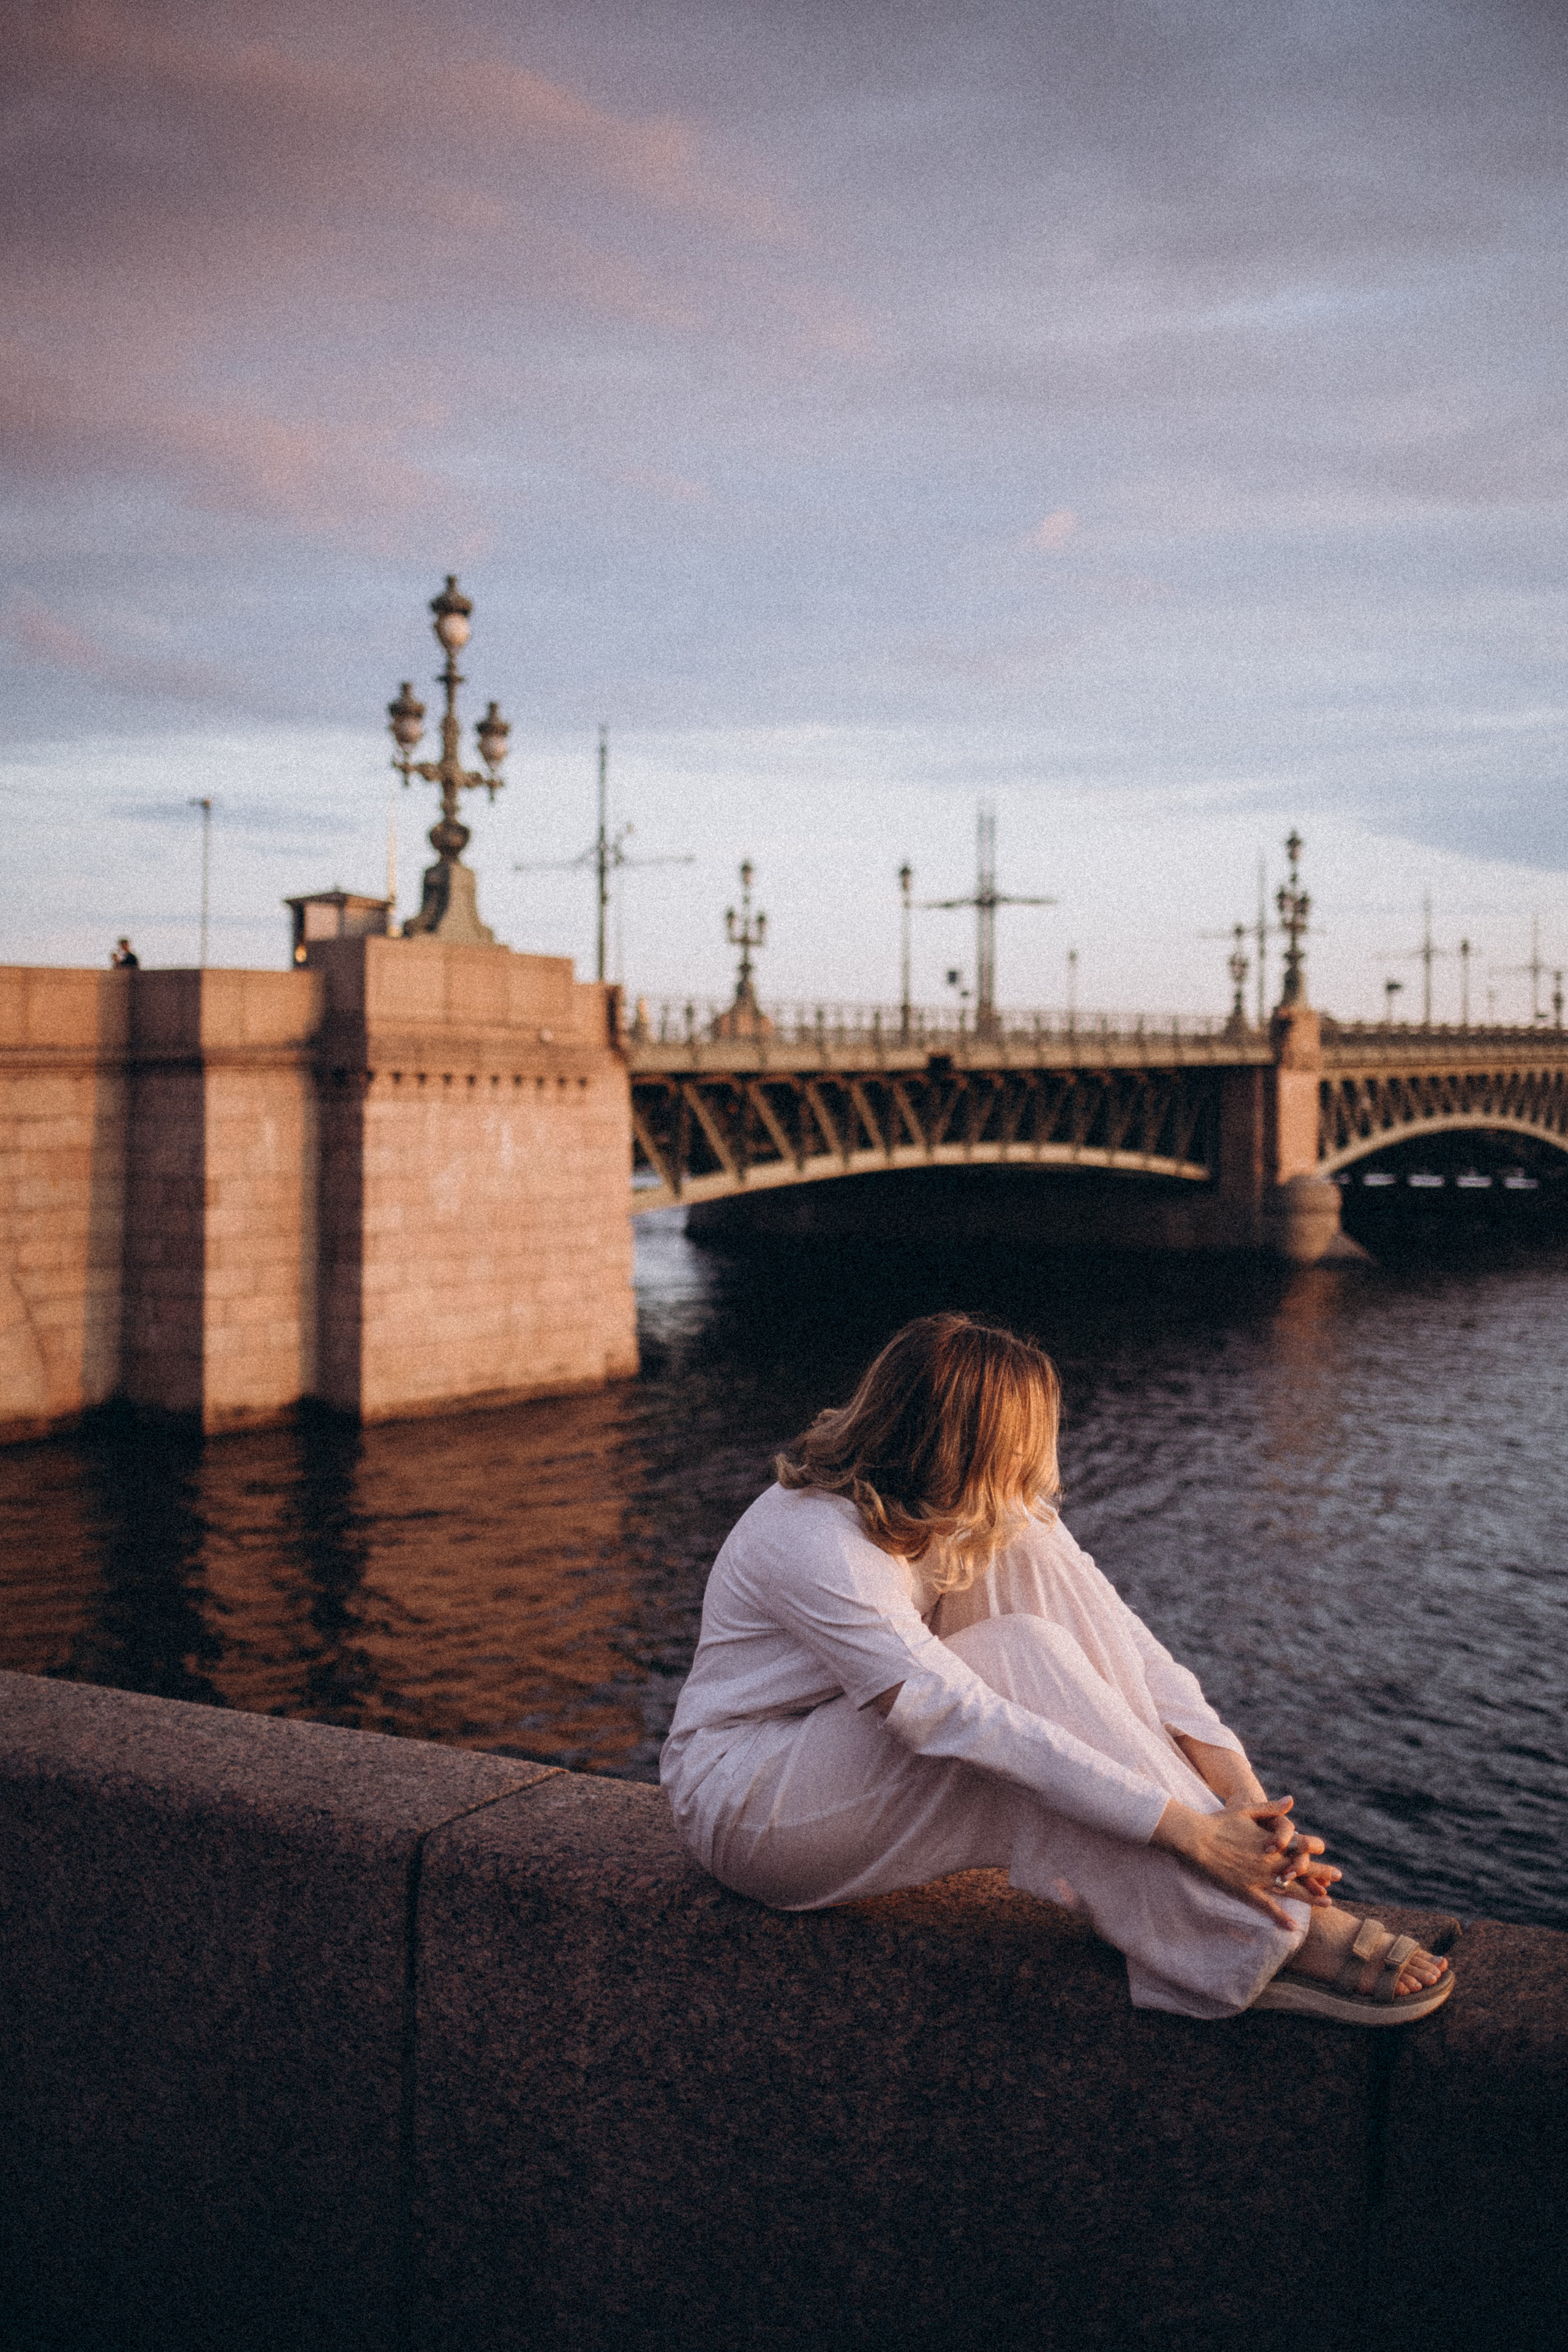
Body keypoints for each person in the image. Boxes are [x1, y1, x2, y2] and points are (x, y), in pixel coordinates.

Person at [662, 1313, 1452, 2024]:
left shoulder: (973, 1508)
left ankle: (1257, 1895)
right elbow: (952, 1713)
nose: (1036, 1458)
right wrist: (1184, 1831)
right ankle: (1267, 1934)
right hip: (749, 1805)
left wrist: (1241, 1805)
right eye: (1023, 1441)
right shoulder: (813, 1538)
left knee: (1033, 1577)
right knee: (1016, 1660)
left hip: (845, 1765)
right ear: (970, 1442)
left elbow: (1134, 1649)